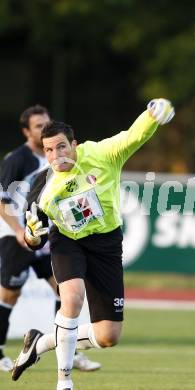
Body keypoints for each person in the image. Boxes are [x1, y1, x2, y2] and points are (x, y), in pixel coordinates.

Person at [12, 98, 175, 390]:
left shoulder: (101, 154)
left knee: (108, 337)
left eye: (61, 146)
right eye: (48, 150)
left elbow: (133, 136)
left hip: (106, 244)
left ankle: (40, 344)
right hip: (67, 242)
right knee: (71, 299)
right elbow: (32, 239)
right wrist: (32, 234)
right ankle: (64, 381)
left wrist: (152, 116)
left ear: (75, 144)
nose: (56, 155)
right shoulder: (43, 185)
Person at [0, 105, 100, 373]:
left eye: (46, 124)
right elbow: (2, 201)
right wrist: (19, 230)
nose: (43, 129)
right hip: (17, 238)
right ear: (25, 131)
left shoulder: (57, 155)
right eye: (37, 126)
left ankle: (71, 350)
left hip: (45, 236)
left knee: (65, 291)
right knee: (10, 294)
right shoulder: (17, 159)